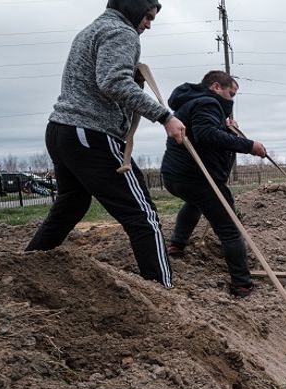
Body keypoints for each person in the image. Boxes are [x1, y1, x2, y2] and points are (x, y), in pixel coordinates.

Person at [25, 0, 186, 288]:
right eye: (147, 16)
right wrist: (164, 117)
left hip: (62, 131)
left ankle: (25, 267)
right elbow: (112, 81)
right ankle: (164, 293)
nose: (148, 24)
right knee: (142, 215)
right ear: (133, 8)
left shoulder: (92, 29)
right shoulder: (121, 32)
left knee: (71, 205)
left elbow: (104, 80)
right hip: (91, 132)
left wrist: (132, 82)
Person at [160, 71, 266, 297]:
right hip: (198, 177)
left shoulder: (191, 103)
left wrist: (227, 127)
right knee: (229, 229)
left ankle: (177, 245)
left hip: (175, 176)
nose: (232, 99)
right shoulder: (207, 102)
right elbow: (206, 134)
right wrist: (249, 145)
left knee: (194, 203)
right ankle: (242, 284)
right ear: (216, 86)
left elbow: (204, 133)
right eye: (231, 93)